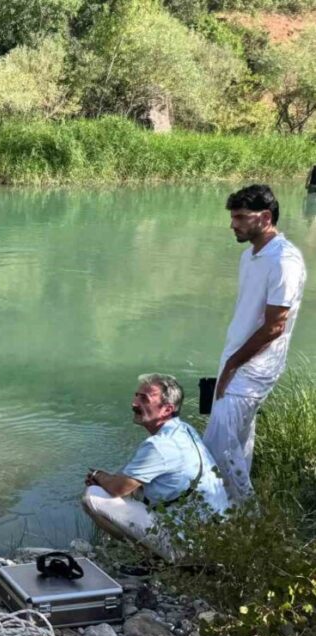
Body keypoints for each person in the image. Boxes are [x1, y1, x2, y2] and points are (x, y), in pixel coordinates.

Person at [203, 184, 306, 503]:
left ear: (264, 217)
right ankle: (234, 510)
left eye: (240, 217)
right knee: (239, 440)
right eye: (232, 216)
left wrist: (233, 365)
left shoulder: (284, 260)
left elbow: (275, 326)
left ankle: (241, 514)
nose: (233, 224)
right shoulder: (250, 255)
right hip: (235, 360)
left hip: (254, 367)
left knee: (217, 443)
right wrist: (228, 360)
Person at [82, 374, 230, 564]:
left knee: (93, 496)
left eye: (144, 399)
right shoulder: (184, 429)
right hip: (213, 538)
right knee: (130, 487)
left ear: (167, 409)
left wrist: (98, 475)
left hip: (191, 548)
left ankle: (154, 560)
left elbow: (119, 488)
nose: (134, 403)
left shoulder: (159, 445)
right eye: (136, 396)